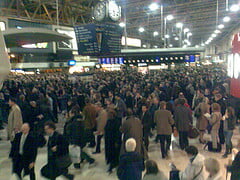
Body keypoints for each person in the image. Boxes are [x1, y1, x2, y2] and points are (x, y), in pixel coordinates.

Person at [104, 108, 121, 173]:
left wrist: (117, 141)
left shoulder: (116, 122)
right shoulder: (109, 121)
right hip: (109, 141)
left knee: (114, 154)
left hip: (114, 141)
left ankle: (113, 165)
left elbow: (118, 132)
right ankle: (111, 163)